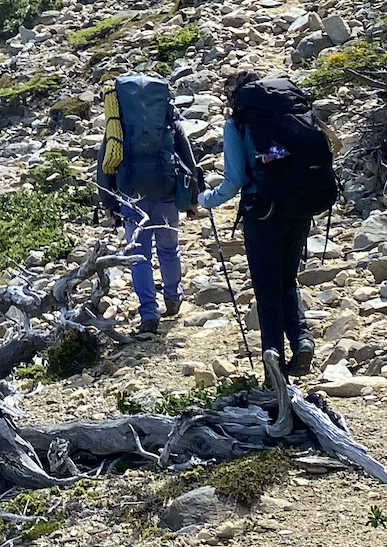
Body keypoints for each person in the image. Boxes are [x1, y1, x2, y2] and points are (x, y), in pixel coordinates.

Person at [199, 69, 339, 375]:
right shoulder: (297, 115)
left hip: (262, 213)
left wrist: (206, 200)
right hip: (301, 207)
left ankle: (273, 368)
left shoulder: (238, 124)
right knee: (287, 280)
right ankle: (302, 340)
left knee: (267, 290)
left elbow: (235, 180)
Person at [95, 73, 202, 335]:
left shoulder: (117, 128)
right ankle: (173, 295)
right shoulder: (170, 125)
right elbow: (189, 163)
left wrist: (108, 200)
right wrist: (192, 200)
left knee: (139, 257)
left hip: (132, 196)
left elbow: (105, 164)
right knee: (169, 249)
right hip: (165, 193)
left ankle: (148, 313)